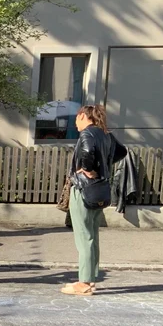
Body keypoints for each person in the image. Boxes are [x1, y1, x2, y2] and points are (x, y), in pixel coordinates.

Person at [63, 104, 121, 296]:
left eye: (77, 118)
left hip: (84, 189)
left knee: (84, 237)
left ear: (83, 116)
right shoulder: (106, 134)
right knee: (92, 236)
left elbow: (87, 152)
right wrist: (103, 166)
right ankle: (90, 278)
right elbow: (122, 151)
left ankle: (84, 282)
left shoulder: (87, 134)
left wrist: (87, 169)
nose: (75, 123)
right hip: (100, 190)